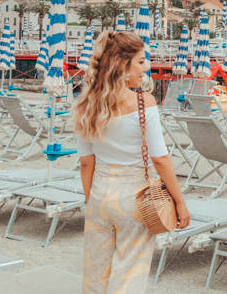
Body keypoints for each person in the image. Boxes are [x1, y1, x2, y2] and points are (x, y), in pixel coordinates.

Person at [73, 31, 190, 294]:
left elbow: (86, 163)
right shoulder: (142, 101)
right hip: (135, 197)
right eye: (140, 61)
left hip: (99, 193)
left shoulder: (84, 103)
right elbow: (159, 158)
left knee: (95, 271)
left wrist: (91, 198)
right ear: (123, 65)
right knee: (129, 273)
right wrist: (179, 202)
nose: (146, 67)